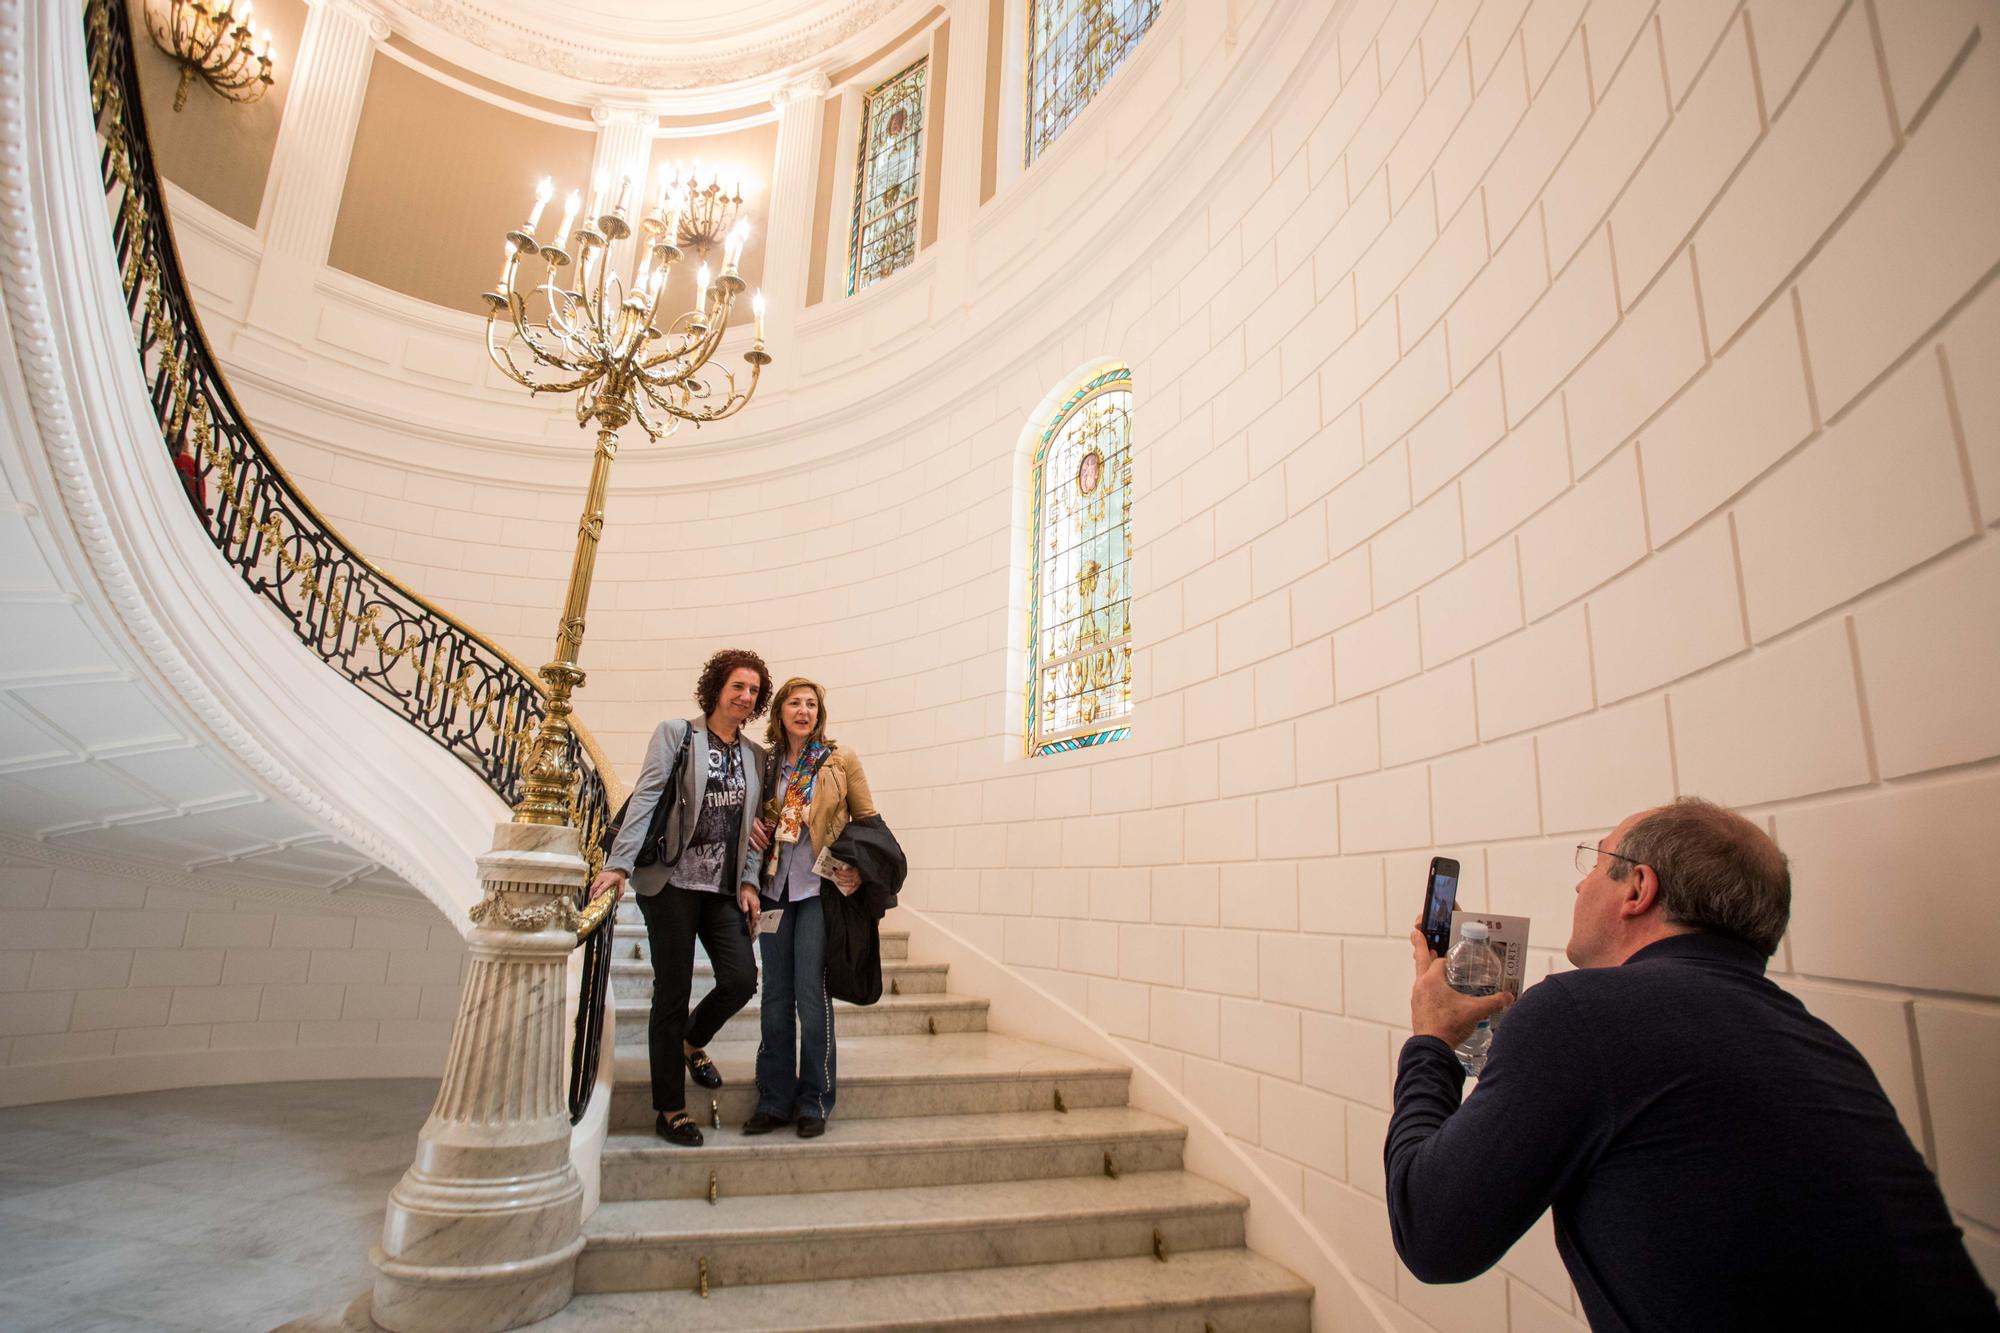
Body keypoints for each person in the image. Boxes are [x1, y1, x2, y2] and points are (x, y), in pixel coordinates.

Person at [1385, 797, 1999, 1331]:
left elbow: (1433, 1235)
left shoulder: (1580, 1011)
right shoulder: (1819, 1042)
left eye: (1593, 863)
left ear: (1637, 889)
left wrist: (1432, 1042)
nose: (1579, 886)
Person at [591, 649, 770, 1147]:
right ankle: (669, 1109)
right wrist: (619, 862)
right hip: (669, 883)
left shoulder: (756, 756)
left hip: (722, 888)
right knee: (671, 991)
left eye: (753, 690)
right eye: (737, 686)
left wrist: (751, 882)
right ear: (716, 688)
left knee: (741, 979)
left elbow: (756, 831)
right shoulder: (677, 734)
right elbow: (647, 796)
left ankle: (692, 1042)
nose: (745, 696)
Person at [741, 676, 874, 1139]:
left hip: (819, 892)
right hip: (774, 890)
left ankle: (814, 1099)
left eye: (811, 704)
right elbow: (745, 819)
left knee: (810, 996)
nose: (803, 711)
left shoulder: (839, 761)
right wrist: (750, 834)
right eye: (794, 703)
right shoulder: (763, 763)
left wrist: (857, 868)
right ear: (780, 713)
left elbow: (869, 824)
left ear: (820, 714)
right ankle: (774, 1098)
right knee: (775, 994)